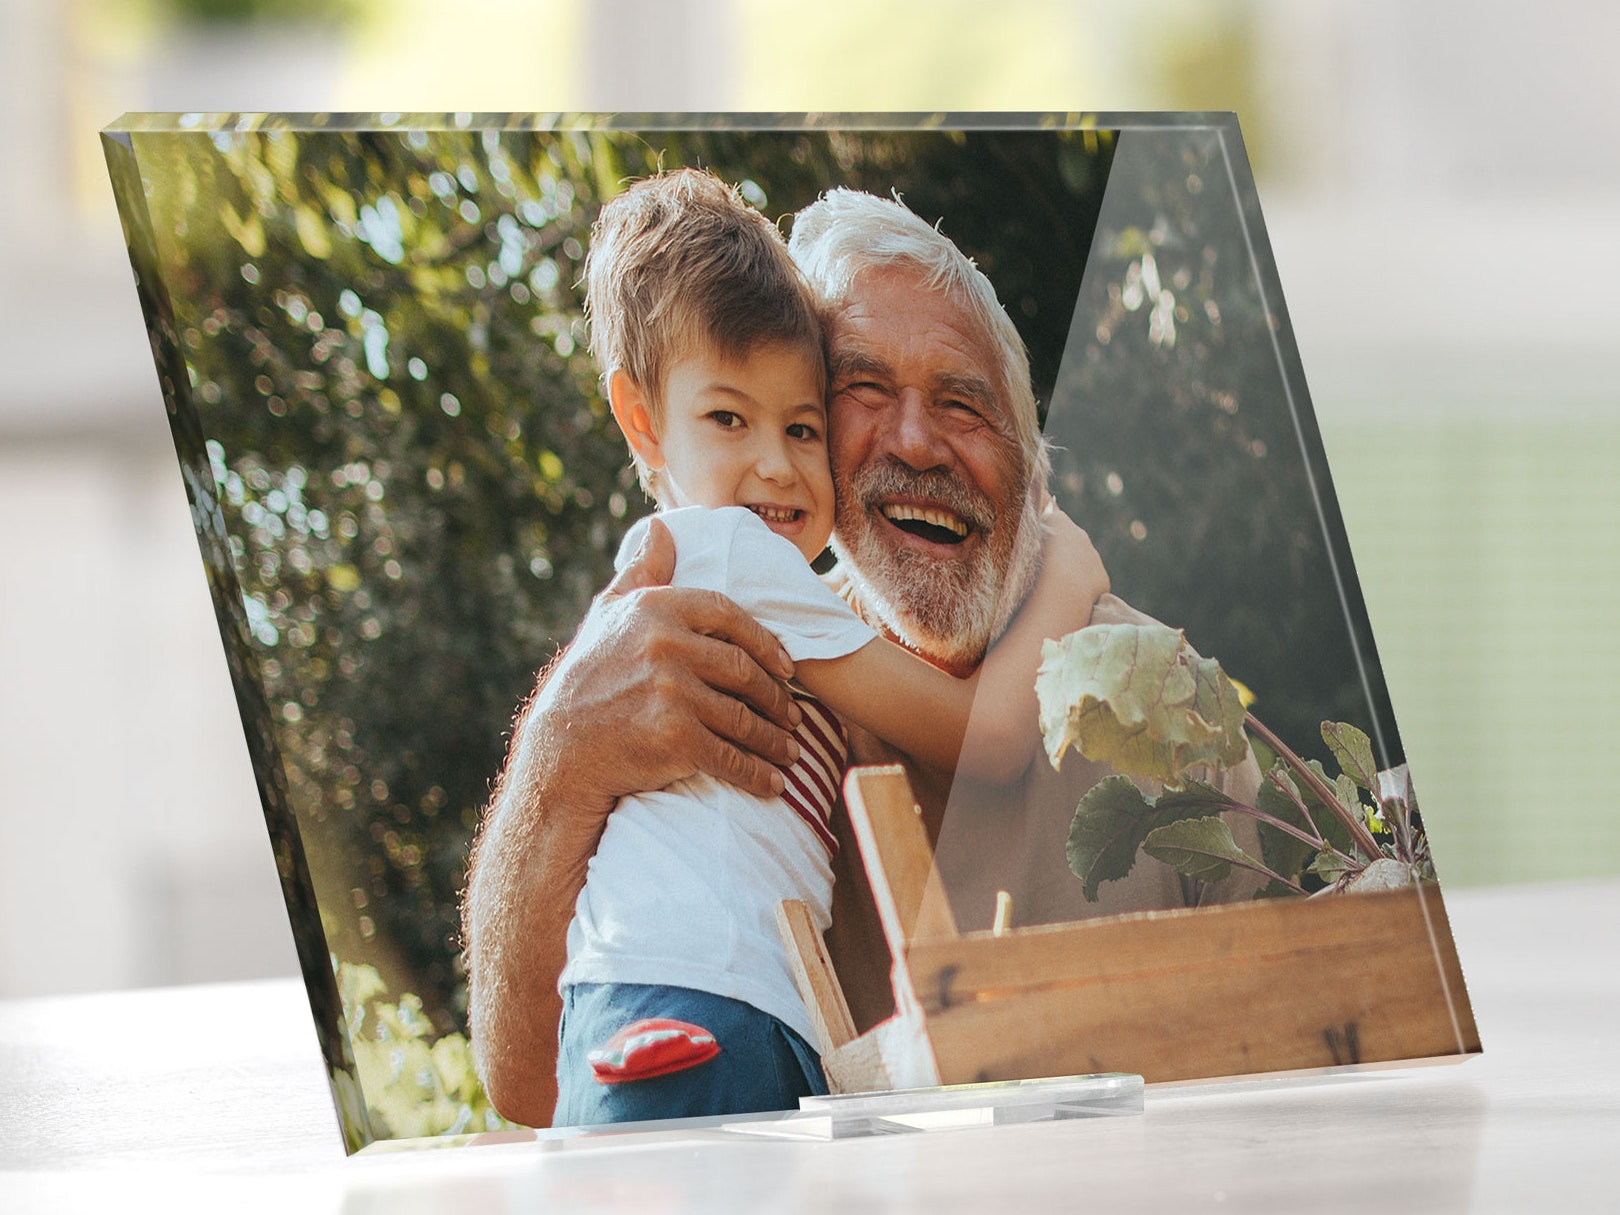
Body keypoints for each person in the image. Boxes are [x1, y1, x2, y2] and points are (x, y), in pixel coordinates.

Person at [463, 186, 1259, 1128]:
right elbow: (529, 1084)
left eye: (962, 403)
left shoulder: (1165, 707)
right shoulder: (695, 664)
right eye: (865, 392)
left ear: (1030, 461)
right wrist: (555, 757)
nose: (915, 441)